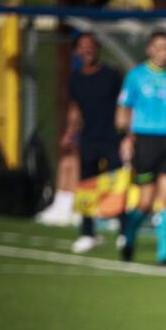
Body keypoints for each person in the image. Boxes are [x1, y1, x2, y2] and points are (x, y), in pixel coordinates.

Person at [116, 30, 166, 265]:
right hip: (145, 140)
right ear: (149, 49)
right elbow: (123, 108)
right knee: (146, 201)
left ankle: (164, 255)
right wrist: (125, 137)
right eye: (160, 47)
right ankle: (129, 236)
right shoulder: (136, 75)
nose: (165, 52)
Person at [63, 32, 123, 254]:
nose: (86, 50)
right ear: (77, 51)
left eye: (90, 46)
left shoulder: (111, 75)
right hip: (88, 138)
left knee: (117, 184)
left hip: (112, 138)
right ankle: (87, 233)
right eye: (82, 47)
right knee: (86, 187)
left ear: (97, 48)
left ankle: (124, 232)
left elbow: (124, 104)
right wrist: (70, 132)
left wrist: (126, 134)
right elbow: (75, 107)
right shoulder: (75, 78)